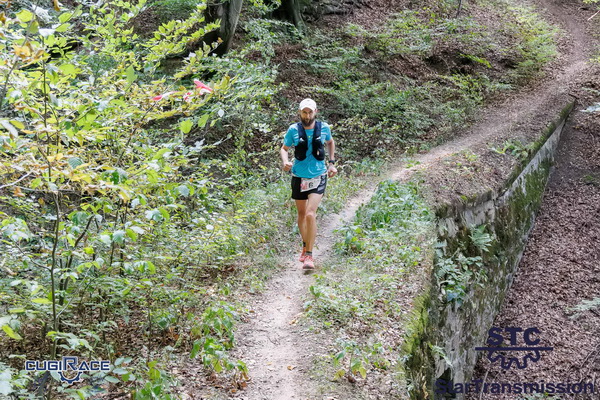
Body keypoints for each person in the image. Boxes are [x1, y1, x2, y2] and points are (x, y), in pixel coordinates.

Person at [280, 98, 338, 270]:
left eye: (310, 112)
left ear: (315, 112)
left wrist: (332, 163)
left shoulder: (324, 128)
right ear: (300, 112)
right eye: (304, 112)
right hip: (299, 176)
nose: (307, 115)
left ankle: (309, 256)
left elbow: (330, 142)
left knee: (310, 214)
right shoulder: (293, 130)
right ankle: (305, 245)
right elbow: (284, 148)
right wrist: (285, 162)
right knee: (301, 213)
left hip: (318, 176)